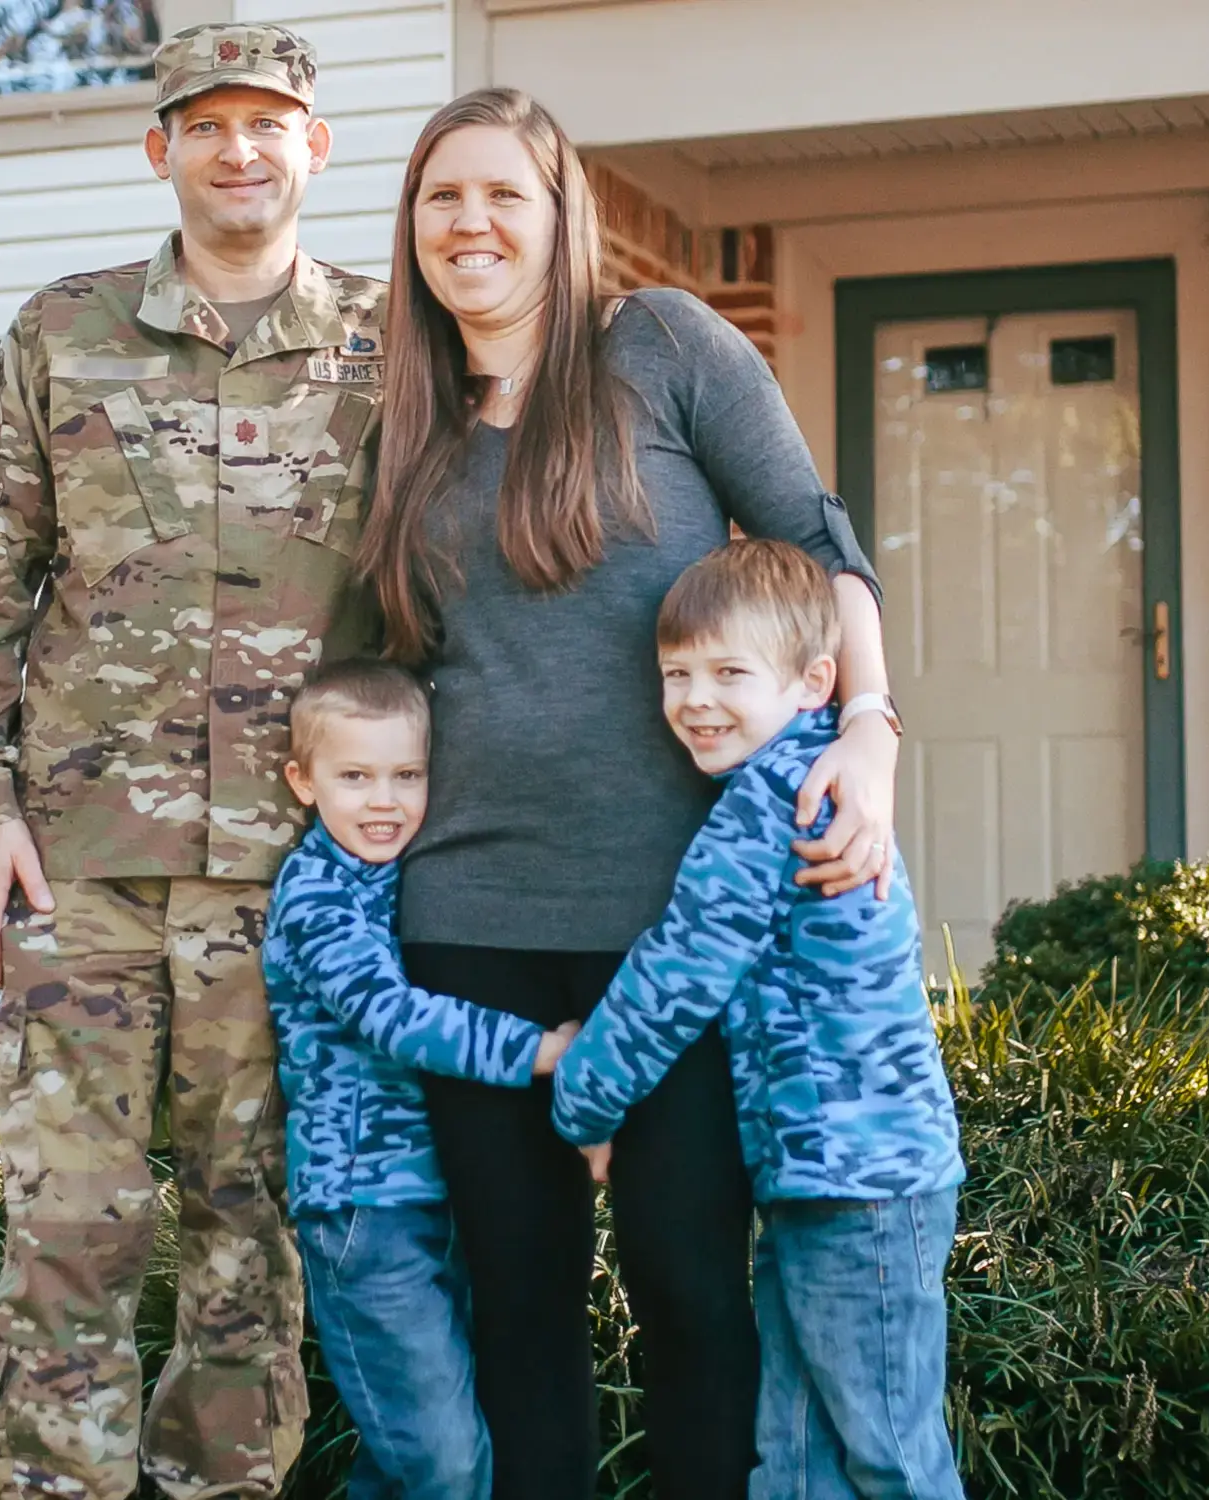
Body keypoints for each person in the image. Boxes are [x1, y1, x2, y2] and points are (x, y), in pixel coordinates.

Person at [356, 87, 904, 1500]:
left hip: (680, 919)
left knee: (687, 1289)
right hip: (470, 919)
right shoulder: (400, 410)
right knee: (521, 1306)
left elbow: (817, 543)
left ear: (560, 214)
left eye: (502, 196)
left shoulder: (663, 346)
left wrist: (873, 733)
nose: (470, 224)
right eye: (441, 198)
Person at [0, 24, 387, 1500]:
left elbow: (448, 599)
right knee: (73, 1227)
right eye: (209, 121)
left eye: (270, 121)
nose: (241, 147)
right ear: (158, 146)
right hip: (80, 864)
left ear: (318, 143)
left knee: (254, 1228)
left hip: (296, 879)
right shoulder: (63, 334)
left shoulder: (389, 348)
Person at [552, 539, 965, 1500]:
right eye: (676, 674)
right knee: (797, 1455)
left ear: (814, 679)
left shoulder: (783, 797)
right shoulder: (797, 779)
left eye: (730, 672)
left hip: (865, 1180)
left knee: (890, 1454)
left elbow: (677, 973)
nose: (697, 698)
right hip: (817, 1178)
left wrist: (581, 1099)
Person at [262, 659, 578, 1500]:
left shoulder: (414, 875)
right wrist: (541, 1051)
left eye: (407, 775)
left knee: (407, 1455)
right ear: (303, 781)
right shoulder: (317, 897)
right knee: (445, 1460)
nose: (384, 801)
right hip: (364, 1214)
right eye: (354, 776)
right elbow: (397, 1017)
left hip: (441, 1198)